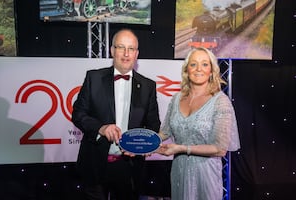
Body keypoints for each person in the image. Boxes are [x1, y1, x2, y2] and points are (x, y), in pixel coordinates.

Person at [72, 28, 161, 200]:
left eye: (131, 49)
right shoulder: (93, 78)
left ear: (137, 54)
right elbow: (78, 114)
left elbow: (153, 124)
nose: (126, 54)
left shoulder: (148, 86)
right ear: (112, 51)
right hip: (95, 164)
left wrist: (141, 148)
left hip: (130, 167)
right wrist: (101, 128)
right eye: (121, 47)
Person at [156, 47, 240, 200]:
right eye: (193, 64)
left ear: (212, 70)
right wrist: (141, 144)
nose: (198, 69)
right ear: (187, 69)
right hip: (179, 172)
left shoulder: (221, 102)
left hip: (206, 175)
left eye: (204, 64)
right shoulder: (176, 99)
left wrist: (181, 148)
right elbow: (165, 132)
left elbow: (220, 149)